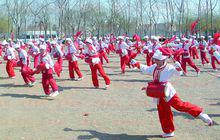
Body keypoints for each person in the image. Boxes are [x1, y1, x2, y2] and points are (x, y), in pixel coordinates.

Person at [131, 48, 213, 138]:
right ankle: (169, 131)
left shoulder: (169, 67)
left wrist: (178, 67)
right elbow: (147, 69)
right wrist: (137, 64)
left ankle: (201, 114)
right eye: (155, 60)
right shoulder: (154, 66)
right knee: (163, 112)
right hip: (159, 93)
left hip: (168, 92)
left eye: (158, 60)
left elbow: (178, 73)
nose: (156, 62)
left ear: (163, 60)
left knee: (180, 106)